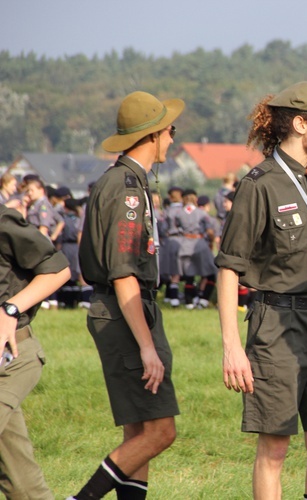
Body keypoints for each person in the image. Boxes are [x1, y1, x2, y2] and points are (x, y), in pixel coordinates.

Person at [216, 81, 307, 499]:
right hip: (277, 325)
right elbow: (229, 270)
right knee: (275, 446)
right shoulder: (259, 184)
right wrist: (231, 347)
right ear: (301, 123)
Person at [71, 90, 183, 500]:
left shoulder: (124, 180)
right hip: (125, 313)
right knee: (160, 431)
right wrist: (147, 347)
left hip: (120, 311)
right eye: (170, 130)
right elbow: (122, 274)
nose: (173, 138)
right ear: (153, 135)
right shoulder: (128, 189)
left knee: (139, 430)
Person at [0, 203, 70, 499]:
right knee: (23, 484)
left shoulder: (2, 221)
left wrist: (10, 309)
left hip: (10, 358)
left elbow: (58, 269)